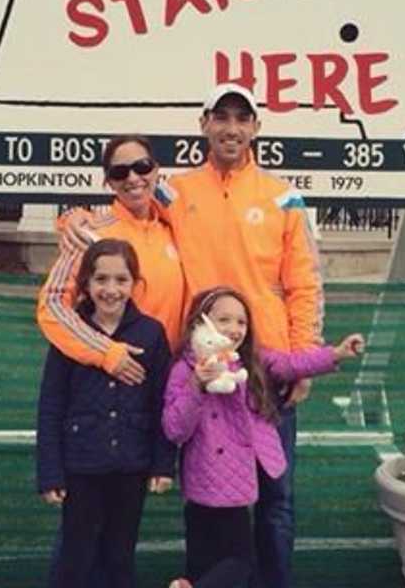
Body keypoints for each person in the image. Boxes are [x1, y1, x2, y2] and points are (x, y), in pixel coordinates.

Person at [63, 83, 324, 588]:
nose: (231, 128)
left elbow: (304, 284)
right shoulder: (174, 191)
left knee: (276, 500)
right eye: (220, 117)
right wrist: (72, 218)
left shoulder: (283, 196)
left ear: (256, 127)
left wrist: (304, 356)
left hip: (266, 371)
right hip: (201, 372)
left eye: (241, 118)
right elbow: (122, 206)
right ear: (203, 123)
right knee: (204, 497)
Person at [162, 287, 364, 588]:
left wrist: (335, 354)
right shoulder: (185, 370)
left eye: (241, 322)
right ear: (199, 324)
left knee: (222, 568)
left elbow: (292, 365)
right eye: (223, 320)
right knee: (235, 565)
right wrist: (197, 386)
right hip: (204, 482)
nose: (233, 329)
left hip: (237, 484)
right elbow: (175, 427)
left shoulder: (251, 362)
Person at [36, 238, 176, 588]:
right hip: (81, 465)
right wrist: (50, 471)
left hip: (131, 464)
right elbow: (51, 405)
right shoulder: (72, 332)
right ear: (86, 283)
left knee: (119, 555)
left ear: (135, 283)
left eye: (121, 280)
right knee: (77, 556)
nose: (110, 290)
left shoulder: (151, 333)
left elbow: (162, 401)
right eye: (101, 279)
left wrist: (162, 463)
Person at [37, 134, 185, 386]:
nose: (133, 178)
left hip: (168, 376)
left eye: (142, 167)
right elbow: (52, 304)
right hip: (114, 378)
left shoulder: (173, 228)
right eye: (120, 172)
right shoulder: (91, 233)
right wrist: (106, 352)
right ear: (109, 182)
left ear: (156, 171)